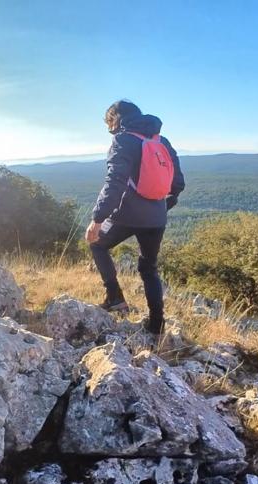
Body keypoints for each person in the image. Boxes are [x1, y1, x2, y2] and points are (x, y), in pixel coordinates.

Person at [86, 100, 185, 335]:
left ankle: (115, 297)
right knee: (149, 268)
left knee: (97, 244)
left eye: (109, 122)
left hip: (126, 214)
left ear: (115, 120)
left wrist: (97, 219)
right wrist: (160, 207)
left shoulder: (123, 140)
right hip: (157, 217)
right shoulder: (161, 141)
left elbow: (114, 183)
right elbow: (178, 183)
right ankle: (156, 326)